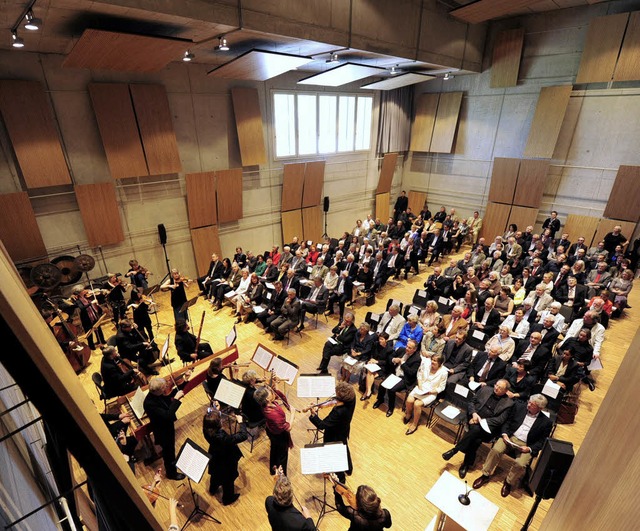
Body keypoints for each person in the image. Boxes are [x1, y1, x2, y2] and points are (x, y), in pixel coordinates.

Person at [472, 394, 553, 497]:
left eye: (532, 405)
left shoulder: (546, 422)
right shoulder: (519, 407)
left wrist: (529, 448)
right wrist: (505, 434)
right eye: (529, 402)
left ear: (540, 408)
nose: (528, 405)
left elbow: (542, 442)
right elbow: (507, 422)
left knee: (520, 464)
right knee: (496, 450)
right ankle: (485, 474)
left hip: (526, 444)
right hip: (510, 437)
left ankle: (508, 482)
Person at [442, 379, 514, 478]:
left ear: (506, 391)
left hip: (488, 428)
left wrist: (481, 421)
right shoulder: (485, 389)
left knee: (476, 434)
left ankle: (455, 450)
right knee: (475, 439)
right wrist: (474, 414)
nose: (496, 388)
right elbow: (471, 402)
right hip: (473, 419)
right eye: (496, 385)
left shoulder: (509, 403)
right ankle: (466, 465)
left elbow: (500, 420)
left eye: (500, 388)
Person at [308, 382, 356, 482]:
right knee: (345, 447)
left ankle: (339, 473)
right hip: (344, 430)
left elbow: (322, 425)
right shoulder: (352, 397)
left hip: (334, 435)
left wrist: (313, 415)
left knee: (336, 455)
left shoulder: (338, 412)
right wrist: (321, 406)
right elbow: (335, 401)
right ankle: (349, 469)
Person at [143, 377, 186, 480]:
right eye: (164, 387)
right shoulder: (150, 403)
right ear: (158, 390)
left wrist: (185, 381)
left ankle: (170, 465)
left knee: (168, 451)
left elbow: (170, 394)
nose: (166, 388)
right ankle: (171, 474)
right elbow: (167, 415)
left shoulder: (156, 395)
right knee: (169, 453)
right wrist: (176, 399)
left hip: (166, 427)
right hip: (163, 432)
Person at [203, 408, 247, 505]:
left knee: (215, 474)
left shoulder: (206, 429)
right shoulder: (222, 437)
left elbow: (210, 420)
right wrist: (241, 422)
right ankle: (228, 498)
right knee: (228, 480)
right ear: (218, 424)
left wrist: (215, 411)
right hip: (226, 459)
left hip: (215, 455)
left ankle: (213, 489)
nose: (222, 420)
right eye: (220, 420)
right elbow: (243, 436)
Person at [373, 339, 421, 417]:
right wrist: (393, 359)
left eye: (409, 348)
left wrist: (402, 363)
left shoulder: (417, 359)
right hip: (394, 373)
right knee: (382, 384)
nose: (407, 348)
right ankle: (380, 399)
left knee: (392, 389)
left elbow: (411, 373)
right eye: (407, 346)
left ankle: (391, 408)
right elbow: (390, 357)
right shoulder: (402, 350)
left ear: (414, 349)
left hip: (404, 378)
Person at [254, 385, 295, 475]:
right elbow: (288, 428)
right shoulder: (273, 414)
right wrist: (292, 414)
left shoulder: (265, 403)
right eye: (270, 392)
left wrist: (274, 386)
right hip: (279, 436)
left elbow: (278, 395)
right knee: (283, 455)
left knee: (274, 450)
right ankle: (282, 476)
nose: (272, 392)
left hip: (271, 430)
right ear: (267, 399)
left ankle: (273, 469)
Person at [403, 353, 447, 435]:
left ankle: (414, 424)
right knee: (409, 400)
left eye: (435, 361)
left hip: (431, 392)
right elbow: (419, 374)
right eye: (432, 360)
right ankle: (408, 414)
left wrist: (430, 392)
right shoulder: (427, 365)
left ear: (440, 363)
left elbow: (442, 387)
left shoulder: (444, 372)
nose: (432, 362)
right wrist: (419, 384)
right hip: (421, 387)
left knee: (417, 404)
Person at [362, 332, 394, 401]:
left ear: (386, 340)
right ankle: (369, 391)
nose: (380, 340)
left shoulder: (389, 350)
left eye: (382, 339)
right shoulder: (376, 344)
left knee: (370, 374)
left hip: (383, 367)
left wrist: (377, 362)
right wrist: (371, 359)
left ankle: (366, 392)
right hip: (374, 364)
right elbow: (371, 354)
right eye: (379, 339)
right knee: (370, 372)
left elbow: (387, 362)